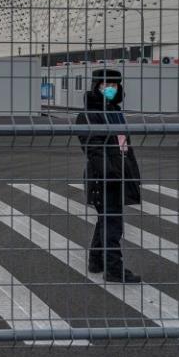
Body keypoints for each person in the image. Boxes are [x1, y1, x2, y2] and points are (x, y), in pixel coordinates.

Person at [76, 68, 142, 283]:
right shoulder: (89, 115)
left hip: (118, 174)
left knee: (106, 219)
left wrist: (129, 172)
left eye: (114, 85)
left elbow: (123, 145)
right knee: (113, 223)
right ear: (96, 86)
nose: (111, 89)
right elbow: (93, 148)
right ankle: (114, 269)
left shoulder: (114, 111)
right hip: (104, 178)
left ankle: (96, 261)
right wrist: (111, 173)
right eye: (106, 85)